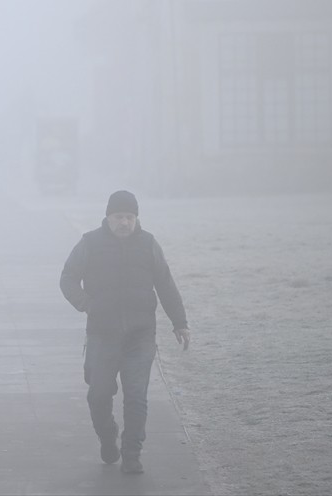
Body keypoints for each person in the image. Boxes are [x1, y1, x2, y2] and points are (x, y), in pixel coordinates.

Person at [59, 190, 190, 475]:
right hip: (102, 334)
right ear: (108, 217)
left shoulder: (148, 244)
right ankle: (108, 436)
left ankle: (132, 453)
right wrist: (86, 304)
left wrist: (180, 322)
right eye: (119, 217)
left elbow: (165, 284)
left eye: (130, 217)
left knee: (136, 396)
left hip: (140, 335)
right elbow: (68, 277)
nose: (125, 223)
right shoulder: (89, 244)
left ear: (136, 218)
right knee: (98, 394)